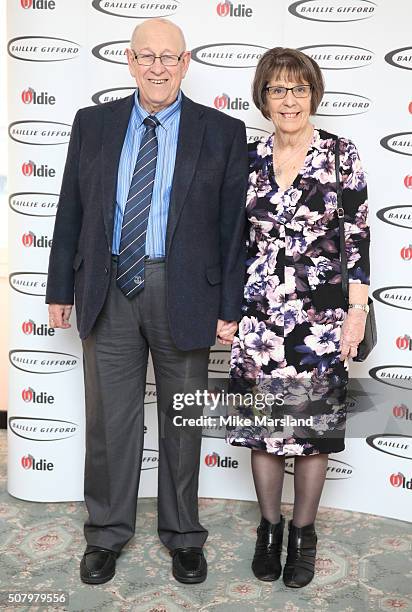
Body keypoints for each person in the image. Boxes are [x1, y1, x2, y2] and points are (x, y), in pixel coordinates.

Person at [46, 18, 248, 585]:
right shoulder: (93, 124)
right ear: (130, 63)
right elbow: (71, 210)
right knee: (110, 422)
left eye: (169, 57)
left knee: (182, 421)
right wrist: (60, 286)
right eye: (146, 56)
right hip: (106, 287)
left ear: (186, 64)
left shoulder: (222, 132)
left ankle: (184, 535)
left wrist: (229, 305)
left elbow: (234, 231)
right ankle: (106, 535)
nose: (157, 67)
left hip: (184, 291)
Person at [225, 48, 370, 588]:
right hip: (259, 316)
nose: (290, 100)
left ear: (314, 94)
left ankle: (303, 536)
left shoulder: (340, 154)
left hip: (320, 318)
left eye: (300, 89)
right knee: (264, 433)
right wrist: (228, 313)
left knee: (311, 432)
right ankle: (269, 529)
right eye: (278, 90)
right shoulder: (246, 156)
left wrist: (356, 312)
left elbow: (356, 238)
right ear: (263, 97)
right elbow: (231, 241)